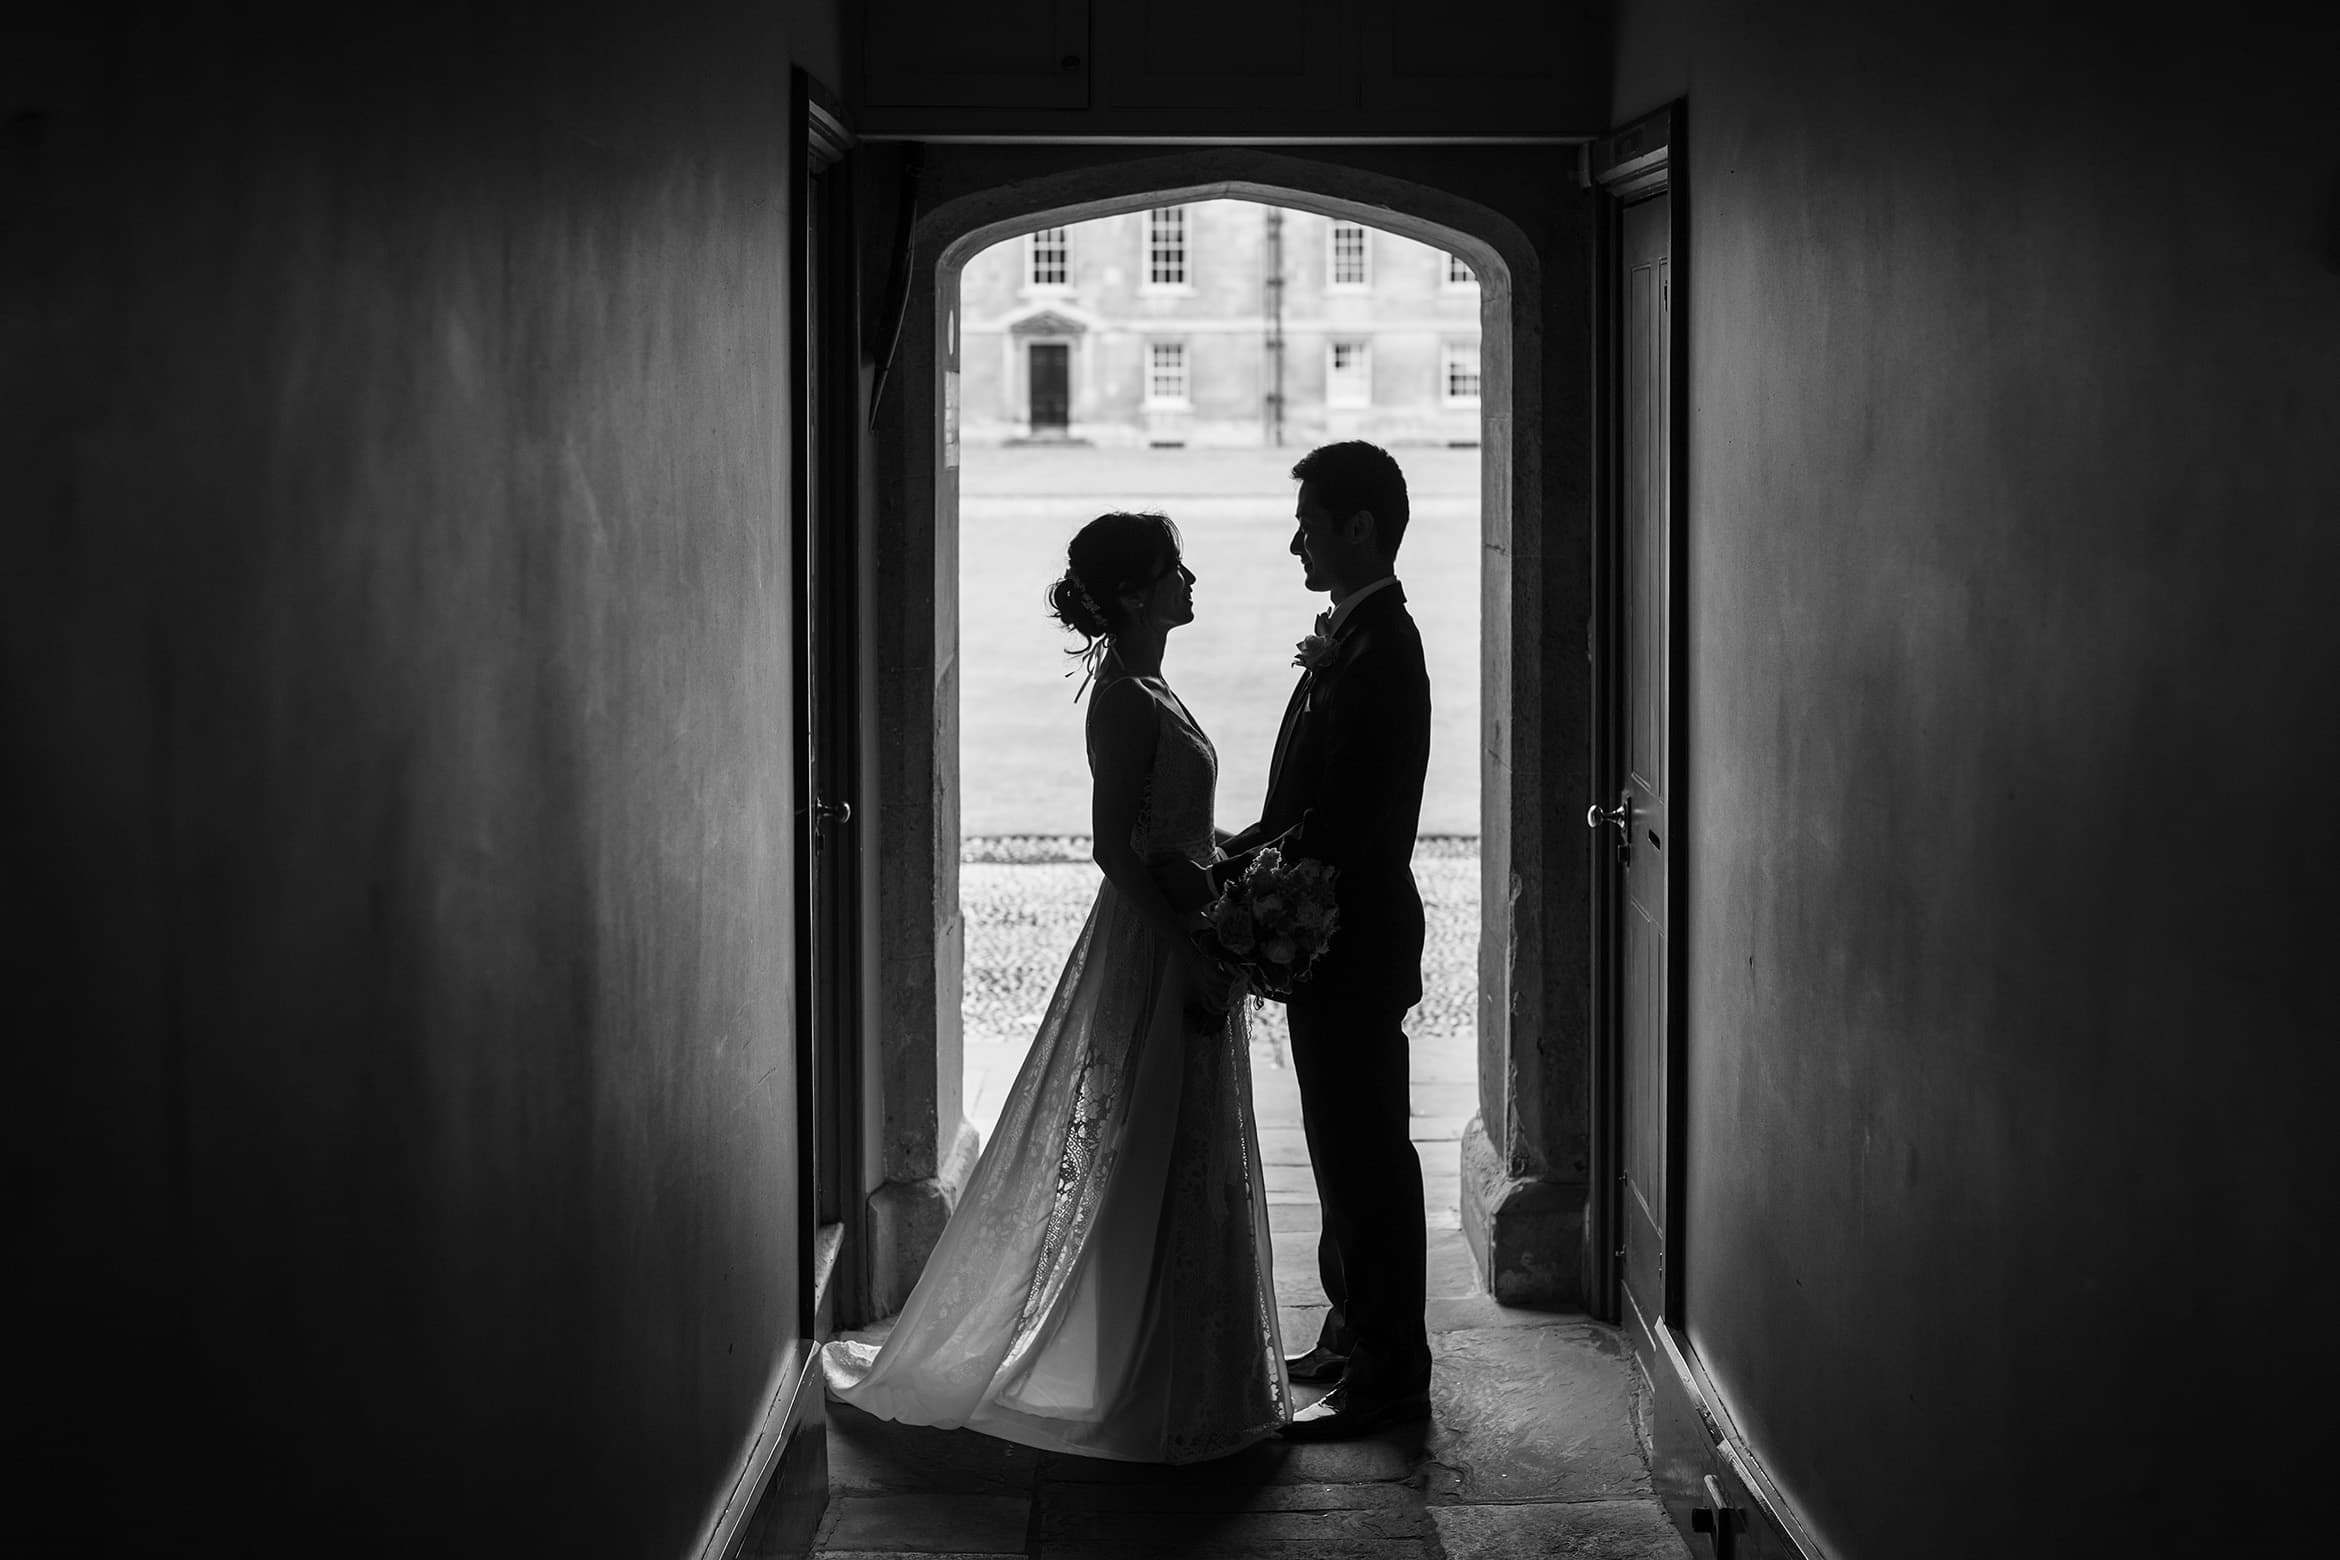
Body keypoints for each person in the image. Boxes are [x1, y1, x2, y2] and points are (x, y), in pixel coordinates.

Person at [821, 511, 1288, 1463]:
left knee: (1183, 1153)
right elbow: (1115, 850)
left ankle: (1194, 1373)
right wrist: (1193, 944)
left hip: (1192, 929)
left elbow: (1176, 829)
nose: (1191, 582)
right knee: (1148, 1150)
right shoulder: (1120, 699)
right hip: (1155, 948)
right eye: (1173, 570)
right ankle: (1148, 1379)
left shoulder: (1153, 683)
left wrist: (1244, 871)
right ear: (1131, 595)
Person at [1203, 441, 1435, 1441]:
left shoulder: (1384, 651)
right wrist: (1249, 845)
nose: (1296, 538)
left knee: (1369, 1154)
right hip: (1335, 940)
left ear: (1359, 528)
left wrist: (1246, 869)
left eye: (1310, 520)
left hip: (1358, 935)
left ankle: (1390, 1371)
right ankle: (1352, 1326)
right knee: (1339, 1149)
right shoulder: (1355, 635)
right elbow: (1311, 801)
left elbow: (1344, 820)